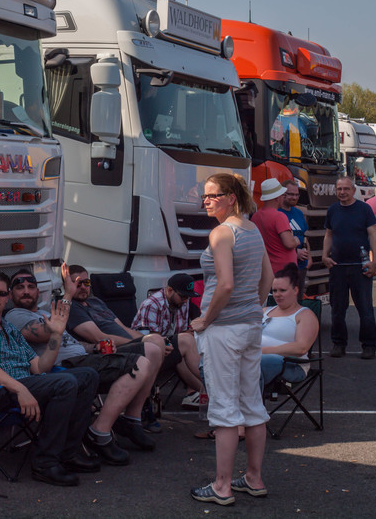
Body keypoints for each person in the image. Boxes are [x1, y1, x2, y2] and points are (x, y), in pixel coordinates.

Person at [0, 271, 99, 487]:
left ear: (8, 296)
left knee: (88, 376)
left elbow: (40, 366)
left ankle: (68, 454)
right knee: (65, 383)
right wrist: (21, 390)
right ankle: (45, 463)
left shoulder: (9, 328)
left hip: (21, 384)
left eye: (2, 293)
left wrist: (56, 334)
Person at [5, 267, 155, 467]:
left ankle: (131, 420)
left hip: (85, 358)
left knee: (151, 350)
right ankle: (99, 433)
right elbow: (47, 334)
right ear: (11, 294)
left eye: (31, 287)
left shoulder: (44, 312)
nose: (26, 291)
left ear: (37, 291)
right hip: (64, 368)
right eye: (20, 287)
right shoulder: (15, 316)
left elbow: (67, 342)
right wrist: (68, 294)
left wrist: (93, 347)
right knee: (140, 362)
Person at [190, 173, 273, 506]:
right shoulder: (251, 229)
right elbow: (266, 276)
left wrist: (206, 319)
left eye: (213, 195)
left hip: (224, 330)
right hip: (250, 326)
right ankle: (253, 478)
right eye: (205, 196)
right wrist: (254, 307)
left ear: (231, 198)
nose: (206, 201)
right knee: (252, 405)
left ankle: (222, 486)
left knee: (224, 410)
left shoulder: (222, 233)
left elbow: (224, 285)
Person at [65, 264, 165, 432]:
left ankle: (197, 395)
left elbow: (124, 329)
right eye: (77, 283)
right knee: (154, 345)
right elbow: (99, 338)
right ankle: (136, 415)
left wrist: (156, 341)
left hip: (130, 345)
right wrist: (147, 343)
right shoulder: (72, 308)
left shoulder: (96, 302)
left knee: (180, 340)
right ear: (68, 285)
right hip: (108, 351)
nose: (83, 287)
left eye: (86, 282)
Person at [322, 176, 376, 360]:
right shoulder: (332, 210)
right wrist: (324, 256)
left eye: (346, 189)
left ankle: (369, 345)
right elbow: (328, 235)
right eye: (339, 189)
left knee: (365, 309)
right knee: (337, 309)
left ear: (353, 190)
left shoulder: (364, 209)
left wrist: (375, 261)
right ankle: (338, 344)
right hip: (337, 267)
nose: (342, 192)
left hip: (360, 267)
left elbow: (373, 235)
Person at [131, 273, 204, 408]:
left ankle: (203, 392)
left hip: (170, 348)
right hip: (147, 351)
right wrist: (182, 338)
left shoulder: (181, 302)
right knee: (185, 344)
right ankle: (210, 389)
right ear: (170, 290)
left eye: (188, 297)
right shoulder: (152, 305)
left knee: (190, 343)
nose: (186, 300)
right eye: (183, 296)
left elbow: (179, 333)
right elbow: (153, 341)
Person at [261, 264, 319, 389]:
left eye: (282, 290)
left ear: (295, 290)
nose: (277, 294)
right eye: (274, 291)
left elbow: (301, 348)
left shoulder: (304, 315)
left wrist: (263, 352)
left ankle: (244, 403)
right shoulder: (264, 311)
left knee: (254, 363)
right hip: (255, 359)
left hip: (291, 365)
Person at [252, 178, 300, 275]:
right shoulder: (279, 216)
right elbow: (289, 243)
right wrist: (296, 240)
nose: (283, 198)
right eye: (283, 195)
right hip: (285, 270)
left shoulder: (255, 216)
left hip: (267, 268)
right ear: (277, 198)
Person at [279, 179, 310, 299]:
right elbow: (275, 242)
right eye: (291, 194)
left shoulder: (299, 213)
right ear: (282, 194)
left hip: (301, 267)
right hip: (285, 268)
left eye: (297, 194)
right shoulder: (278, 214)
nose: (294, 197)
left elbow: (305, 235)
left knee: (298, 300)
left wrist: (310, 257)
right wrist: (295, 253)